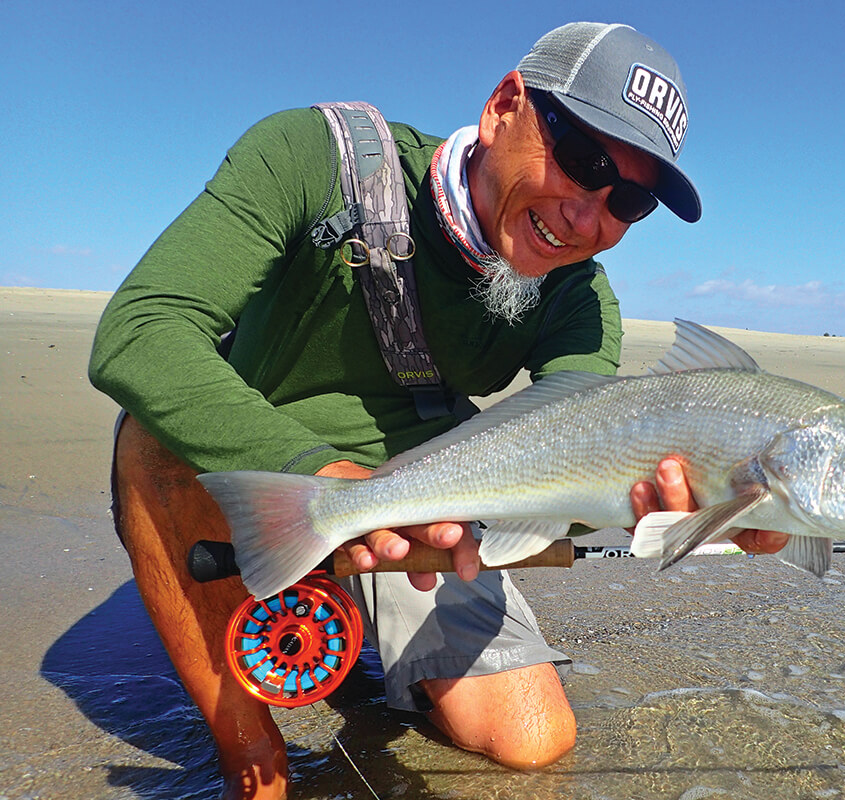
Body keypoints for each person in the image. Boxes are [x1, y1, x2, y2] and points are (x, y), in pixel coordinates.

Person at [89, 21, 787, 800]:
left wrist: (694, 510)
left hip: (428, 502)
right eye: (584, 160)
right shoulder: (311, 156)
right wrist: (313, 471)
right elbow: (139, 334)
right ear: (504, 106)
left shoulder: (581, 304)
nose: (587, 219)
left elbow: (574, 483)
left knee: (533, 742)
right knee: (150, 437)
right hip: (246, 468)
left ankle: (362, 632)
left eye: (628, 199)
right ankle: (251, 754)